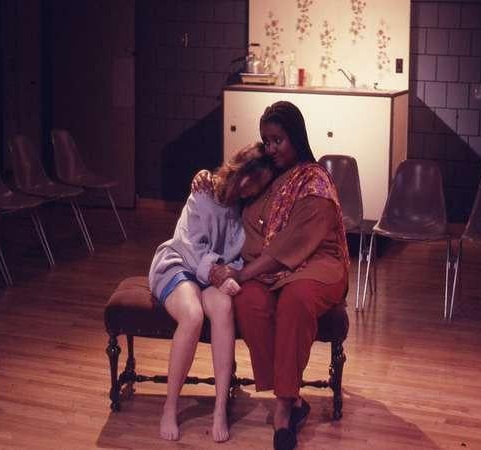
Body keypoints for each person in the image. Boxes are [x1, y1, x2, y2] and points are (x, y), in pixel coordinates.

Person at [209, 101, 349, 450]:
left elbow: (295, 242)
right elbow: (236, 188)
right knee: (250, 301)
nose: (271, 149)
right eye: (266, 141)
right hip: (269, 269)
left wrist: (243, 273)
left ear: (296, 137)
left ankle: (284, 407)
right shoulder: (270, 177)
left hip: (318, 265)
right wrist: (206, 179)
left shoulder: (315, 180)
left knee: (295, 300)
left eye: (278, 140)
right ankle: (296, 400)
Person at [148, 144, 274, 442]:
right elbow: (191, 246)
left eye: (260, 187)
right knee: (191, 315)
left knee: (223, 309)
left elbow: (240, 252)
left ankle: (220, 408)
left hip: (212, 274)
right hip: (180, 262)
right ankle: (170, 406)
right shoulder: (203, 191)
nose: (253, 190)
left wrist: (228, 273)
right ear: (242, 173)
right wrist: (218, 273)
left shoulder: (244, 208)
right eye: (253, 182)